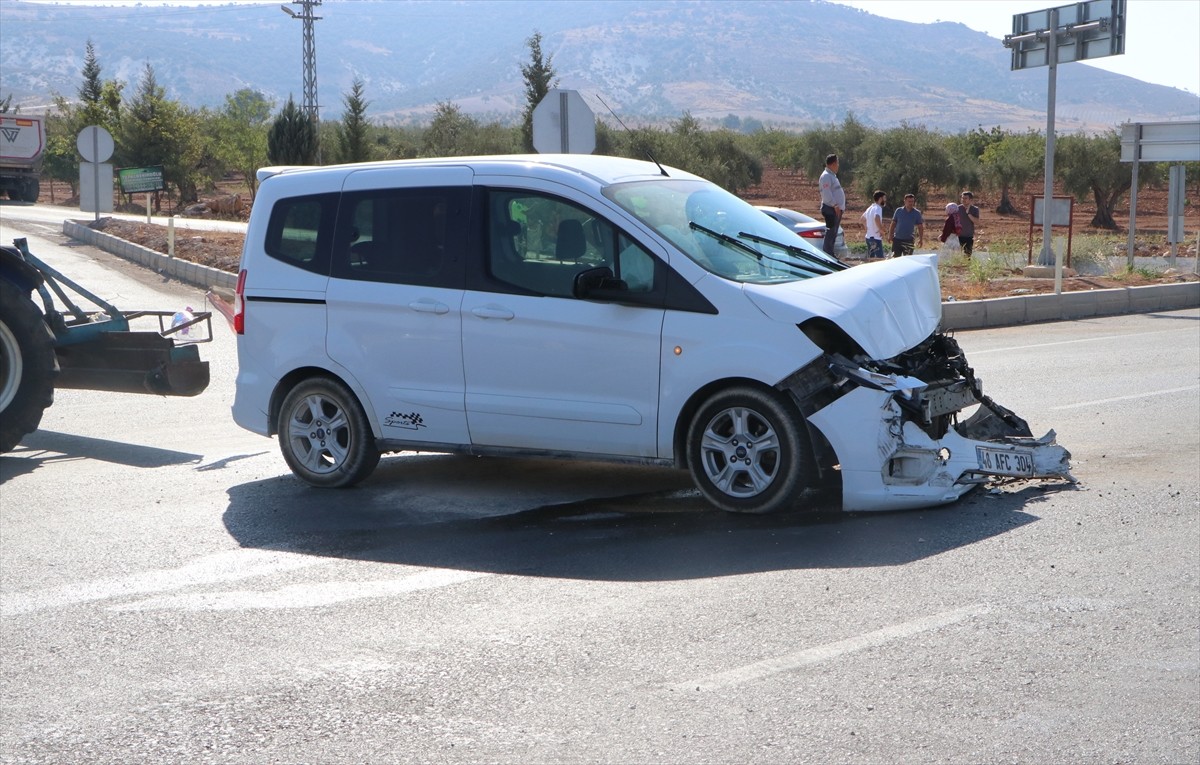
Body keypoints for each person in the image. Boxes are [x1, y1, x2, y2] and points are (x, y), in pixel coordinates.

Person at [818, 153, 844, 257]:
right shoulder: (826, 176)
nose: (838, 165)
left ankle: (830, 253)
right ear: (833, 163)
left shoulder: (832, 176)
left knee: (833, 233)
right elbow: (826, 193)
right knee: (831, 232)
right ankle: (827, 254)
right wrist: (835, 205)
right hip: (831, 208)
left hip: (835, 209)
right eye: (837, 163)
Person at [860, 190, 887, 259]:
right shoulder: (878, 208)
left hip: (868, 237)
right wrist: (881, 230)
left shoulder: (870, 208)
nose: (885, 200)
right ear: (880, 199)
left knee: (871, 259)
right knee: (880, 259)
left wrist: (867, 229)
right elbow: (876, 218)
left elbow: (862, 219)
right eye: (884, 198)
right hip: (875, 238)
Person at [957, 191, 981, 257]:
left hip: (968, 236)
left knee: (967, 257)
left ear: (970, 200)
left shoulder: (975, 209)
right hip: (958, 236)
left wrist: (968, 213)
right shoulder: (957, 208)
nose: (963, 200)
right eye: (962, 198)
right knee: (957, 256)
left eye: (965, 198)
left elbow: (977, 222)